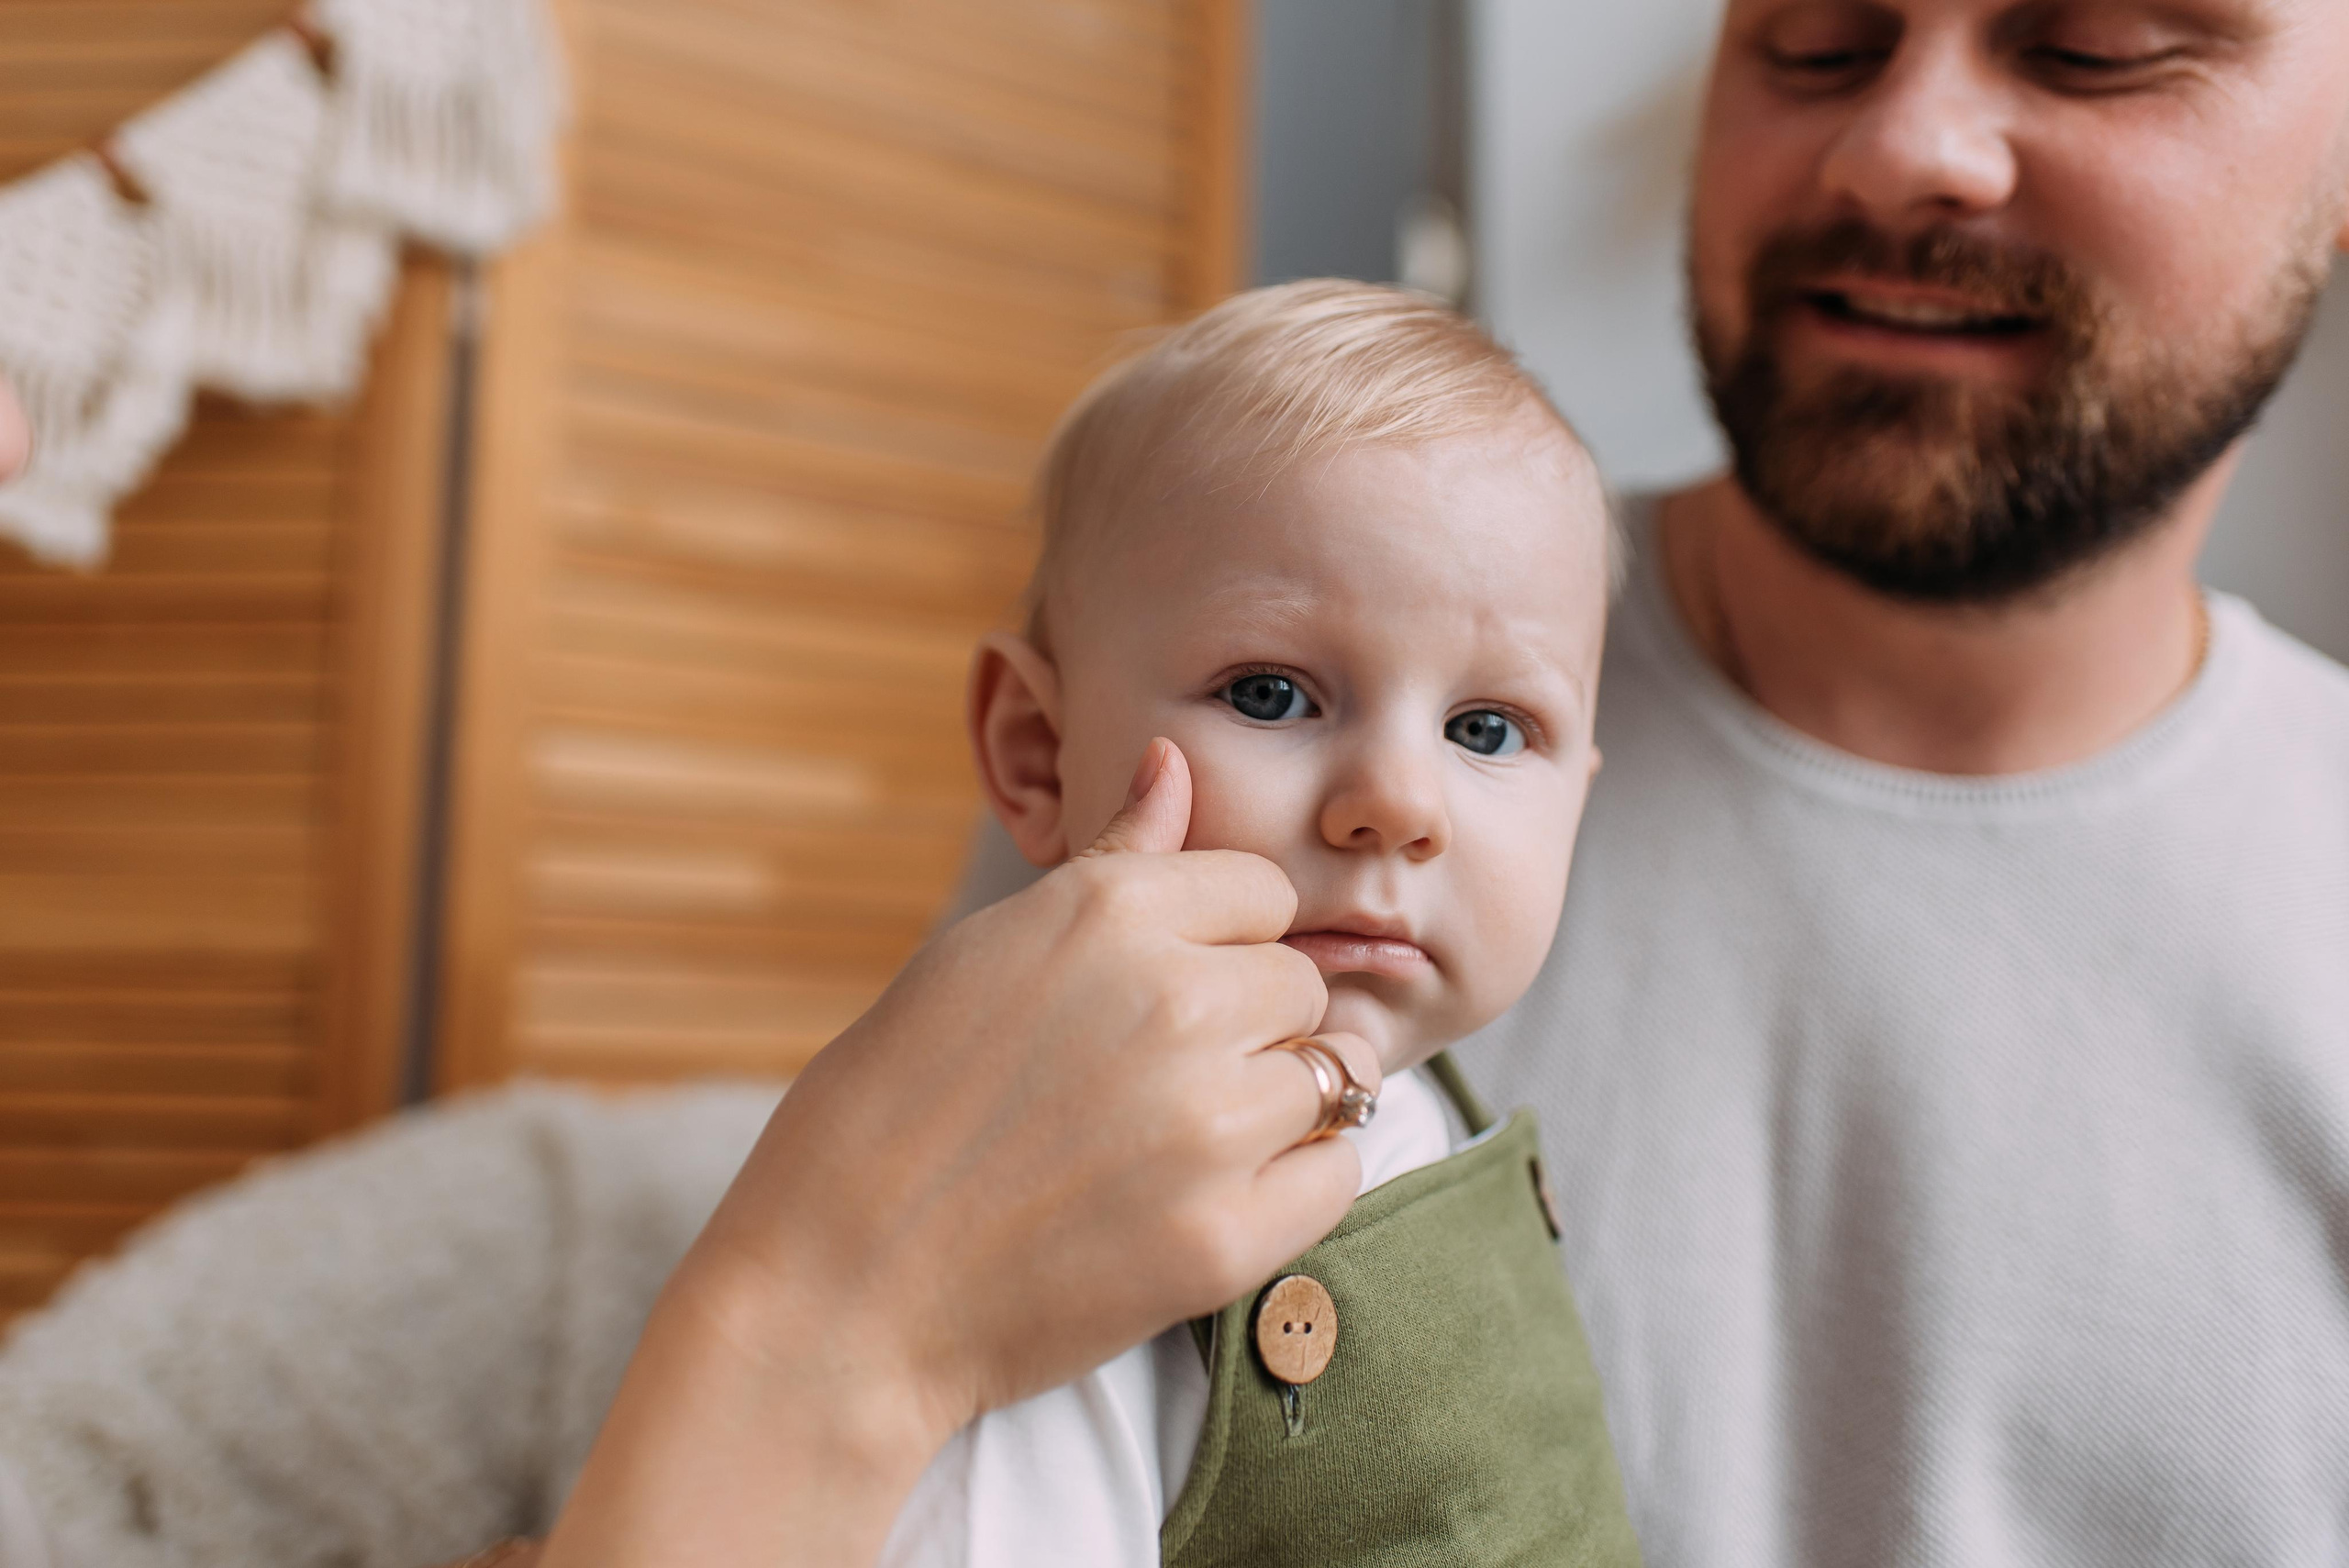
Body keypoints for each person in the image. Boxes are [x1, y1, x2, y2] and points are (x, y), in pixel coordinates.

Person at [5, 0, 2348, 1563]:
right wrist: (808, 1320)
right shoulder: (1178, 784)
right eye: (1808, 37)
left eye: (2100, 42)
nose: (1910, 131)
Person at [872, 281, 1635, 1566]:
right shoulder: (1078, 1199)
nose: (1396, 804)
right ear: (1041, 754)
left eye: (1487, 729)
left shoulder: (1429, 1110)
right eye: (1274, 693)